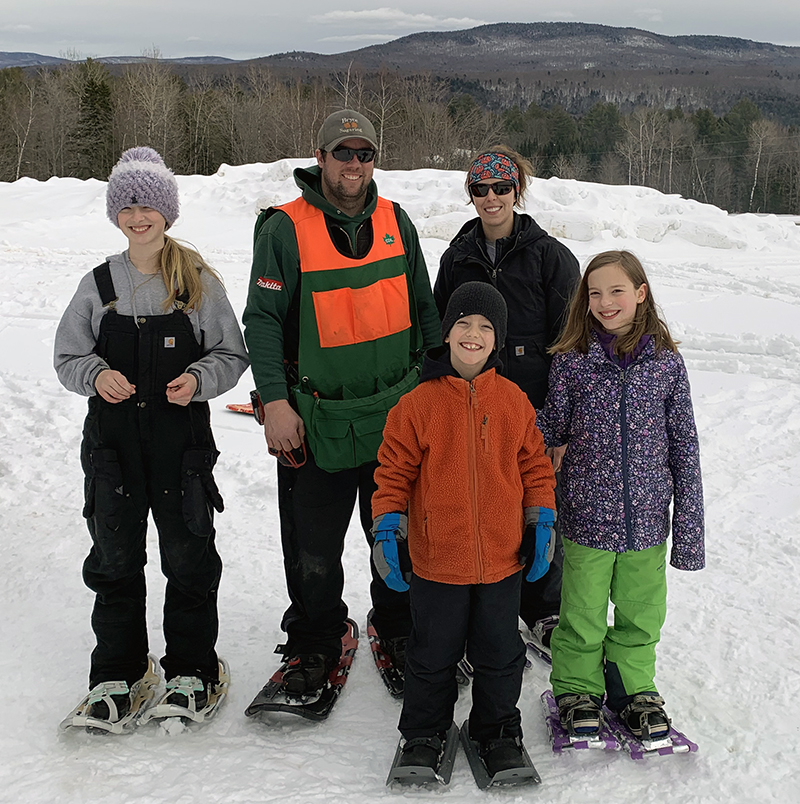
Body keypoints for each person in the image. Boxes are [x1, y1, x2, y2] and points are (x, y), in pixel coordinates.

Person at [242, 109, 441, 696]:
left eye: (365, 154)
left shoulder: (395, 221)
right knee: (314, 549)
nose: (355, 165)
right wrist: (275, 403)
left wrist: (439, 386)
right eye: (343, 153)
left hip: (395, 418)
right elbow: (263, 321)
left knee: (398, 535)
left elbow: (425, 308)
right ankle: (316, 639)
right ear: (320, 157)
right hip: (317, 421)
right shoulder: (284, 228)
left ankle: (400, 627)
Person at [55, 147, 249, 729]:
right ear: (118, 214)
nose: (139, 217)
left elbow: (231, 353)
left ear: (167, 213)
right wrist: (95, 374)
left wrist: (197, 378)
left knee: (188, 560)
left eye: (149, 206)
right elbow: (67, 357)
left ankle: (193, 669)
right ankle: (119, 673)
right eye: (129, 206)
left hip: (180, 452)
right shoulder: (97, 285)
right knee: (114, 561)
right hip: (112, 454)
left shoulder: (196, 284)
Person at [371, 282, 557, 776]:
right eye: (463, 324)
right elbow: (393, 471)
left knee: (501, 654)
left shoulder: (514, 401)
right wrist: (388, 526)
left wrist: (541, 518)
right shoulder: (418, 404)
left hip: (501, 560)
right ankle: (424, 733)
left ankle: (495, 728)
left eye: (485, 327)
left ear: (497, 341)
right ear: (447, 332)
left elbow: (536, 465)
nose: (473, 335)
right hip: (438, 561)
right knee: (431, 655)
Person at [535, 250, 704, 740]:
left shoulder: (667, 365)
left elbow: (685, 449)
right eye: (594, 293)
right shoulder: (572, 362)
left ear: (641, 293)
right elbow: (552, 427)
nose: (605, 302)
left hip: (647, 522)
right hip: (587, 517)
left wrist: (689, 533)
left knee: (640, 614)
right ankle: (577, 690)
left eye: (616, 291)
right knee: (582, 614)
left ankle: (633, 690)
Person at [433, 146, 580, 655]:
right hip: (476, 407)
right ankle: (491, 606)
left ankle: (543, 607)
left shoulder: (551, 257)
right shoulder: (457, 258)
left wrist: (560, 426)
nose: (491, 198)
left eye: (501, 187)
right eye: (480, 189)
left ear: (518, 190)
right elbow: (441, 337)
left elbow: (571, 346)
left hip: (538, 408)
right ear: (470, 194)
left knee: (541, 506)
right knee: (487, 502)